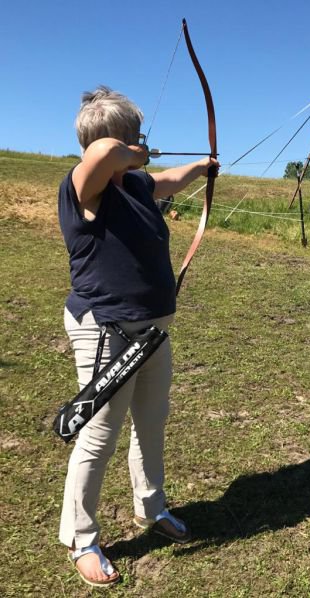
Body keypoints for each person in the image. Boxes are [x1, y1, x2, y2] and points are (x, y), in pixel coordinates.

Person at [57, 85, 219, 587]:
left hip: (151, 330)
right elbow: (103, 152)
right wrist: (127, 149)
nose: (142, 146)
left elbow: (167, 180)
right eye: (136, 138)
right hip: (106, 329)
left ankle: (151, 507)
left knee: (151, 422)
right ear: (118, 140)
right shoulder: (83, 188)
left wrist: (202, 167)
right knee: (99, 434)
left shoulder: (134, 185)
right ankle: (81, 538)